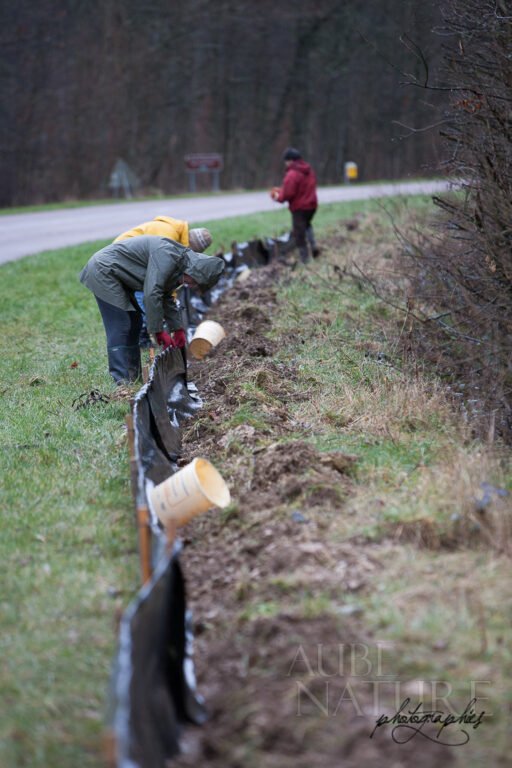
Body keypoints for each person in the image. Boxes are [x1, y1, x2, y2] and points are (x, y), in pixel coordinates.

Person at [79, 236, 225, 384]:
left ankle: (132, 376)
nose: (191, 286)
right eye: (195, 283)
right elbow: (152, 293)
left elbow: (165, 296)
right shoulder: (168, 256)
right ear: (195, 273)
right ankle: (122, 381)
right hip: (104, 270)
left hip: (119, 276)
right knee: (121, 324)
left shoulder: (179, 266)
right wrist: (158, 330)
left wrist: (177, 328)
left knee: (134, 322)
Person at [114, 217, 212, 345]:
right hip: (123, 257)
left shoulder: (175, 237)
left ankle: (145, 329)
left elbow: (168, 276)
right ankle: (143, 334)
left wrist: (171, 298)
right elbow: (160, 270)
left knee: (149, 291)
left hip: (134, 260)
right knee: (144, 291)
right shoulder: (167, 233)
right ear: (190, 245)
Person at [270, 147, 320, 263]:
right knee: (307, 225)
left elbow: (288, 194)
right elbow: (300, 189)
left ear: (290, 160)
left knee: (299, 234)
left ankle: (305, 260)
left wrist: (277, 197)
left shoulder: (292, 174)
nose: (285, 164)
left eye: (286, 161)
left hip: (299, 208)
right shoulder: (308, 170)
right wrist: (282, 190)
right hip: (311, 206)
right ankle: (313, 246)